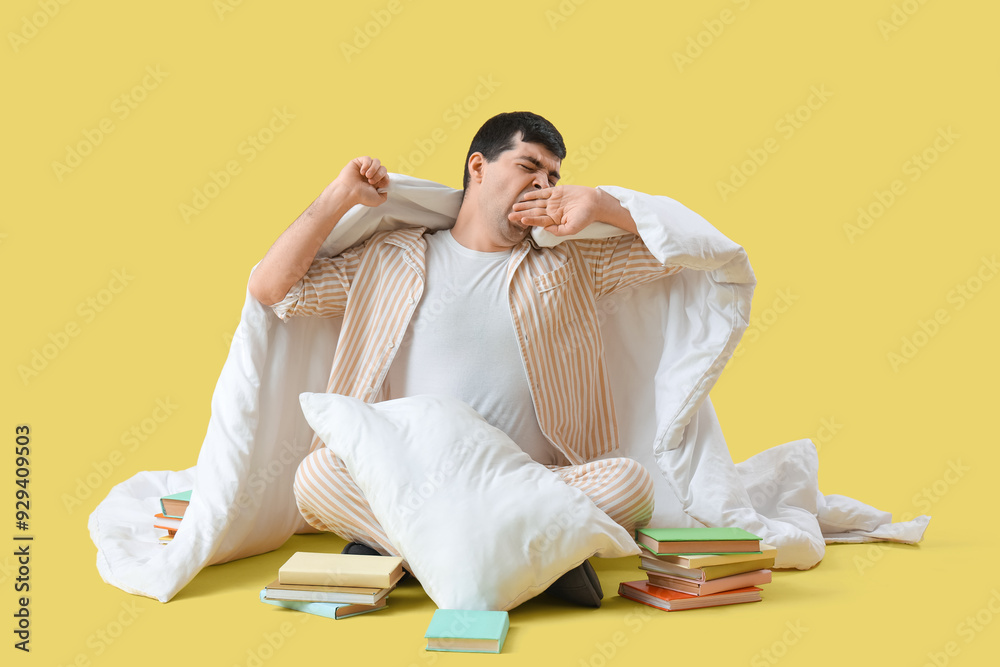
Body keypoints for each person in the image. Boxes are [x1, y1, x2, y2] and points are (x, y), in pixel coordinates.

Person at [248, 111, 684, 607]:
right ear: (478, 166)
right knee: (317, 475)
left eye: (553, 177)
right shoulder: (389, 259)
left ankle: (413, 553)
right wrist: (338, 197)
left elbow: (684, 250)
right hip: (410, 478)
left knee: (630, 484)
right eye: (529, 166)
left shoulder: (571, 264)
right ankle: (531, 563)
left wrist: (600, 203)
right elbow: (271, 289)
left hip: (528, 485)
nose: (543, 183)